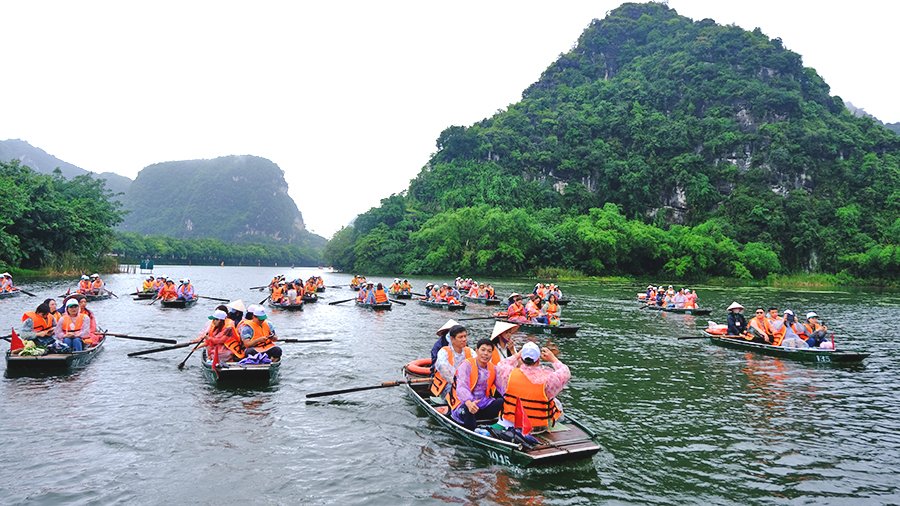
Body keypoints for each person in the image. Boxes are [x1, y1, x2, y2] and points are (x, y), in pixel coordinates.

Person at [495, 342, 570, 431]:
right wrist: (553, 359)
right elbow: (565, 372)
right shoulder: (548, 379)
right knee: (557, 403)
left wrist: (517, 355)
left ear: (521, 359)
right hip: (537, 427)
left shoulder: (509, 374)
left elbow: (501, 365)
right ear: (538, 360)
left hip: (512, 422)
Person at [449, 338, 504, 430]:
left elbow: (502, 387)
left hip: (484, 403)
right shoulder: (466, 365)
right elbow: (461, 387)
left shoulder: (493, 368)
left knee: (502, 402)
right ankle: (473, 432)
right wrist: (468, 402)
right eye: (483, 350)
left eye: (489, 351)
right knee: (468, 410)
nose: (486, 353)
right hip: (464, 404)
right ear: (477, 350)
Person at [431, 325, 474, 398]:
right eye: (460, 337)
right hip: (447, 383)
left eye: (465, 336)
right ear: (452, 339)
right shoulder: (444, 351)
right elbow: (443, 369)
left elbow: (478, 363)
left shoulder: (470, 351)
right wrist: (457, 383)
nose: (464, 339)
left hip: (465, 383)